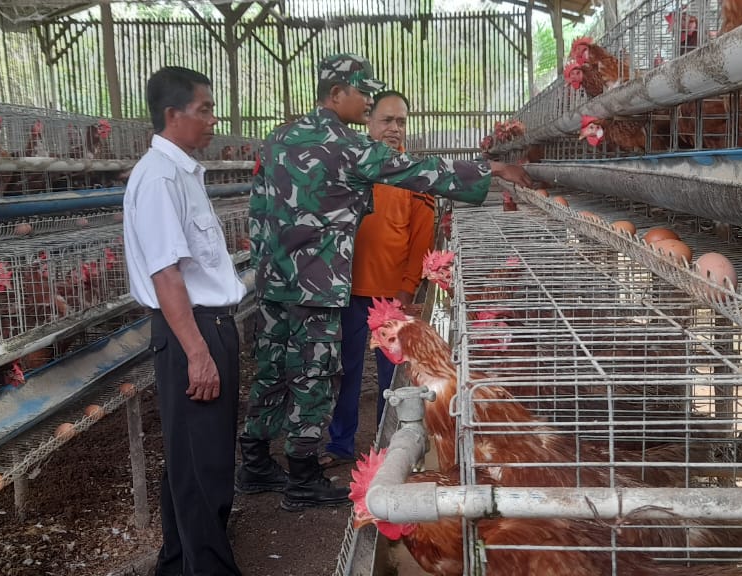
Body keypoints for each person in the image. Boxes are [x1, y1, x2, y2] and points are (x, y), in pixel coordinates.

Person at [236, 53, 532, 512]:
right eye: (363, 93)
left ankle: (254, 463)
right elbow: (417, 171)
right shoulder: (344, 143)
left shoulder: (279, 138)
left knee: (273, 371)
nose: (368, 100)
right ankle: (302, 478)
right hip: (316, 284)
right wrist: (491, 169)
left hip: (274, 281)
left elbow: (257, 209)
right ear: (337, 95)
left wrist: (263, 268)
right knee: (314, 376)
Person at [124, 66, 245, 576]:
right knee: (204, 471)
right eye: (204, 109)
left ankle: (177, 564)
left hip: (208, 327)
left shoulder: (182, 173)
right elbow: (166, 276)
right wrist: (198, 354)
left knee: (195, 460)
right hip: (192, 330)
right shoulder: (158, 178)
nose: (213, 120)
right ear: (173, 115)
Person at [322, 90, 433, 467]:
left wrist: (406, 288)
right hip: (349, 292)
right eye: (386, 120)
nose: (394, 128)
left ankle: (391, 449)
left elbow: (421, 239)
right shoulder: (349, 172)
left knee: (394, 378)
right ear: (368, 123)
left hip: (392, 296)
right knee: (347, 368)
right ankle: (340, 444)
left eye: (401, 121)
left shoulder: (414, 177)